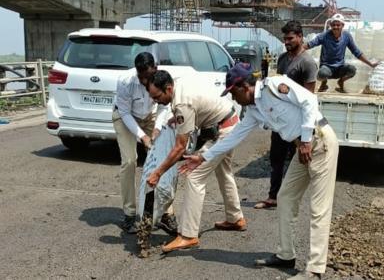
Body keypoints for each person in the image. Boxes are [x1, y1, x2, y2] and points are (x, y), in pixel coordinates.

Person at [180, 63, 339, 280]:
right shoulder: (254, 110)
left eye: (233, 93)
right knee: (285, 197)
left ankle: (315, 269)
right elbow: (235, 136)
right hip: (302, 148)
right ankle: (286, 255)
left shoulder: (274, 85)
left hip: (319, 141)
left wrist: (306, 140)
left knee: (319, 208)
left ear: (244, 86)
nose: (233, 99)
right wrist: (202, 157)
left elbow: (310, 100)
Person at [145, 70, 246, 253]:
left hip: (223, 131)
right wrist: (179, 119)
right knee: (223, 171)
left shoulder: (182, 103)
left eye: (157, 97)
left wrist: (158, 173)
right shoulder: (178, 84)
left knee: (194, 176)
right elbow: (197, 106)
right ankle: (235, 218)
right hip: (229, 122)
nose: (155, 101)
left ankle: (188, 235)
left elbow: (180, 147)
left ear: (168, 88)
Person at [255, 20, 318, 210]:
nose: (287, 42)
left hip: (297, 122)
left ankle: (293, 198)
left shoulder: (307, 63)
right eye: (285, 39)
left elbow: (309, 97)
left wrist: (304, 132)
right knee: (276, 158)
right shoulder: (283, 59)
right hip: (281, 119)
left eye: (290, 38)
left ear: (300, 37)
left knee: (298, 160)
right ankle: (273, 196)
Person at [112, 52, 176, 235]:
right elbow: (124, 113)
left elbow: (164, 105)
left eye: (147, 77)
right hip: (125, 117)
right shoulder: (125, 81)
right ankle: (130, 214)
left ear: (155, 69)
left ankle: (165, 213)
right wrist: (143, 137)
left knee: (161, 161)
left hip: (151, 116)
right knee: (130, 161)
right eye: (140, 77)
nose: (143, 81)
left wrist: (156, 129)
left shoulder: (161, 79)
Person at [304, 13, 379, 93]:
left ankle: (341, 81)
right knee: (322, 74)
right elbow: (310, 44)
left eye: (338, 25)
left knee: (352, 70)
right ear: (330, 25)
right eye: (333, 25)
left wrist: (370, 64)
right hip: (327, 67)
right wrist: (296, 50)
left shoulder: (346, 36)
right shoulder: (324, 36)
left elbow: (356, 52)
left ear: (342, 25)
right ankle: (324, 83)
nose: (335, 27)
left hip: (340, 68)